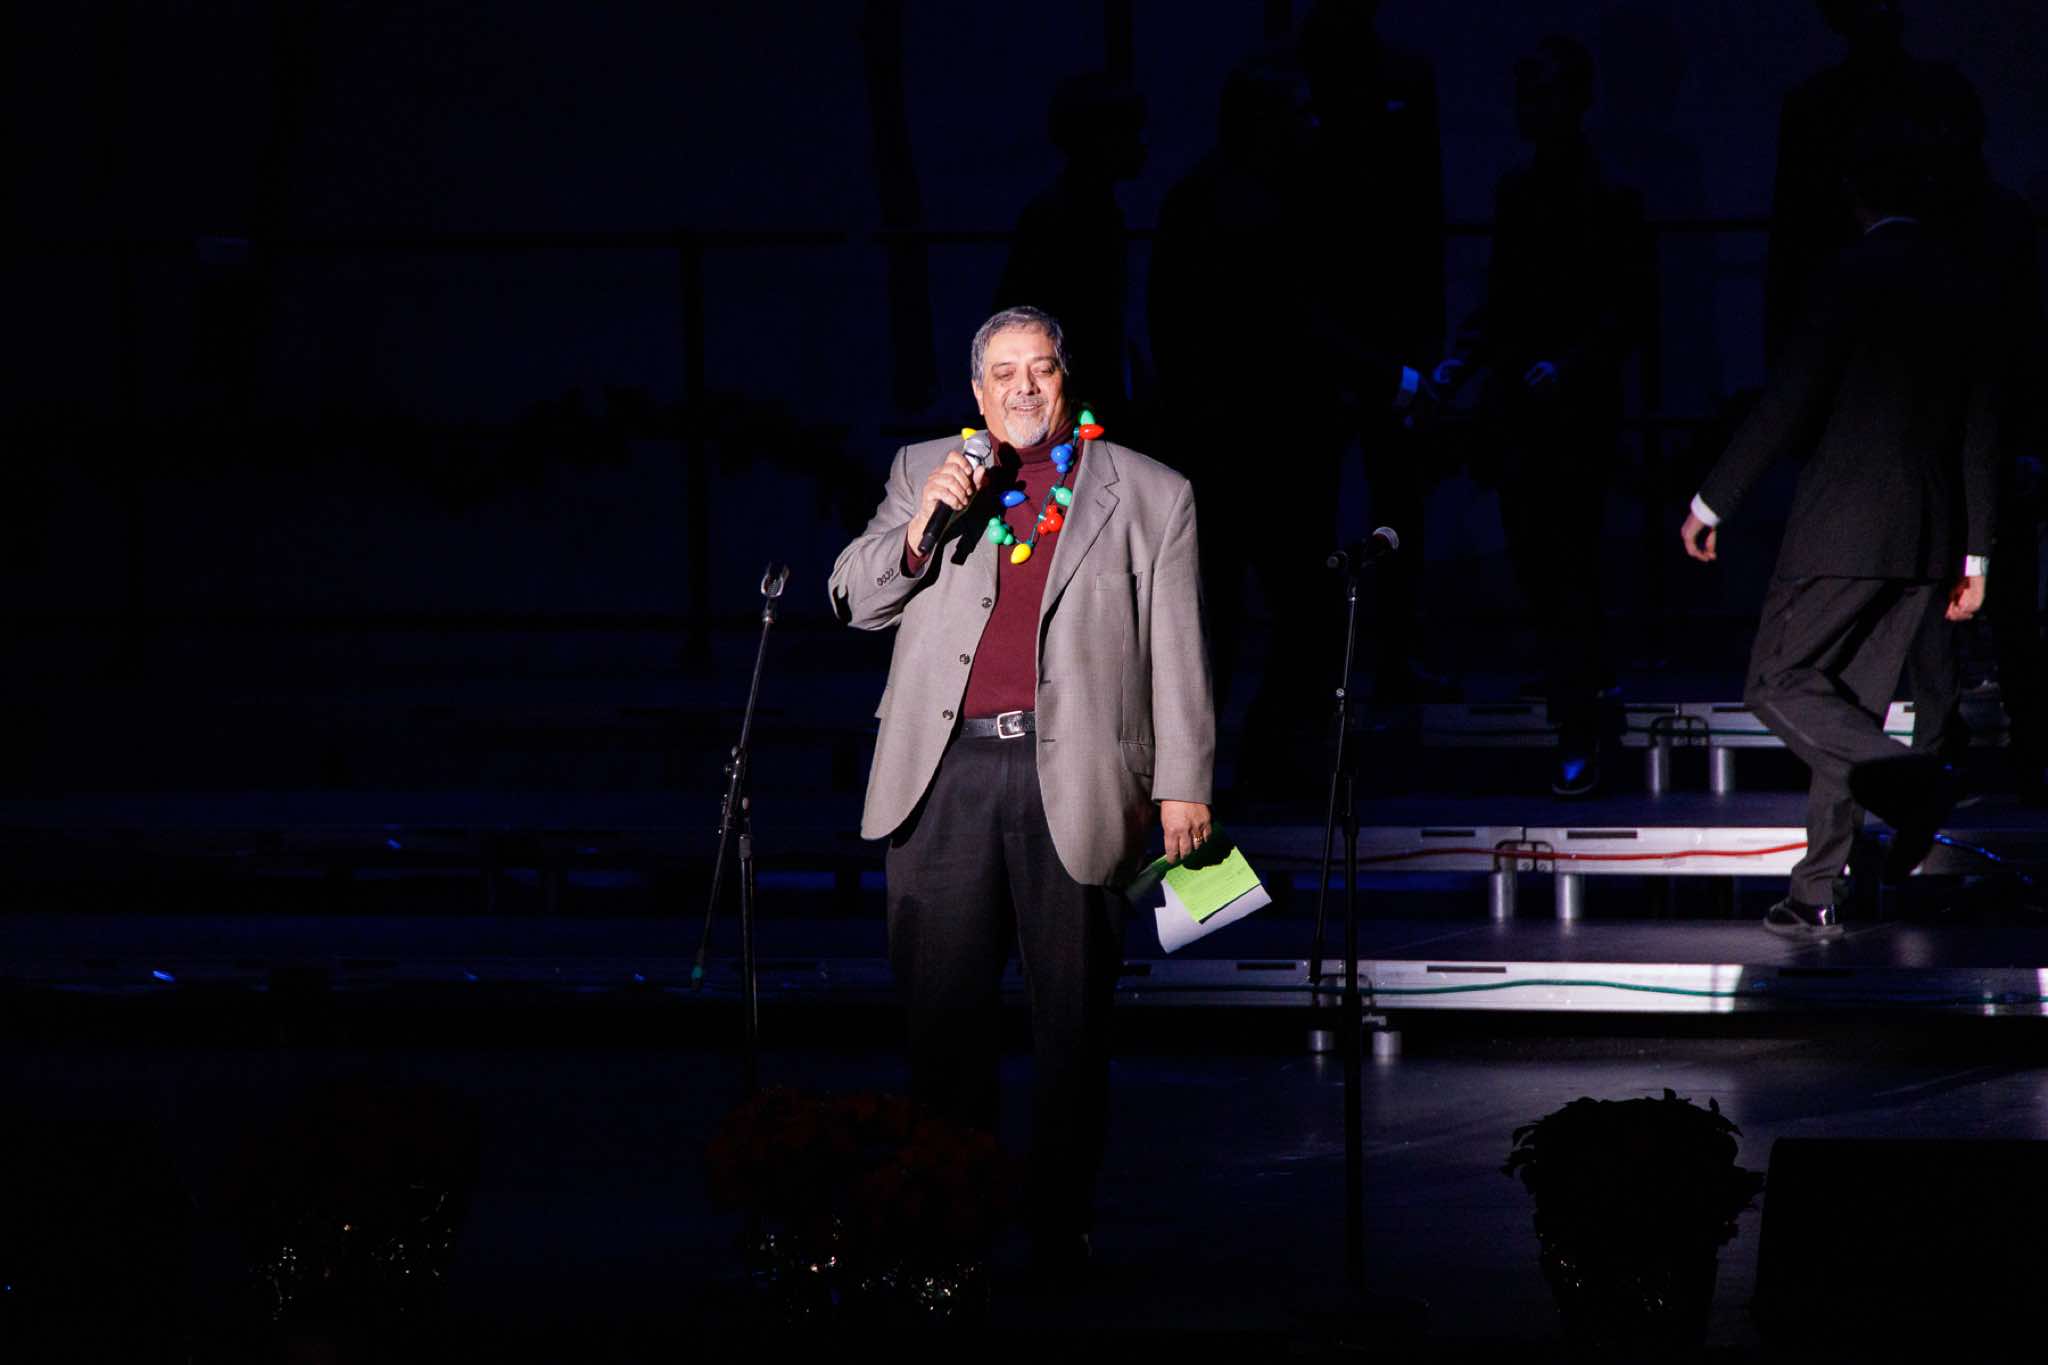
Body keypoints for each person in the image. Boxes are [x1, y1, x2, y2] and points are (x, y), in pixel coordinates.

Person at [828, 306, 1215, 1273]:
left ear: (1064, 377)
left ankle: (1057, 1226)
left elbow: (1178, 649)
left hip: (1076, 775)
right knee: (942, 1021)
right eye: (1003, 374)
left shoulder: (1149, 492)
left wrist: (1184, 780)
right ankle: (948, 1222)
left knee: (1072, 1027)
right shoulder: (924, 471)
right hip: (944, 775)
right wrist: (920, 528)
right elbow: (854, 598)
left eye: (1039, 369)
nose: (1023, 388)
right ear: (977, 391)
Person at [1680, 120, 1998, 939]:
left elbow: (1790, 397)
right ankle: (1819, 888)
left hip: (1845, 528)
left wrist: (1713, 499)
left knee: (1776, 681)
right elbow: (1980, 425)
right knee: (1847, 703)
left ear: (1855, 196)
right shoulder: (1961, 280)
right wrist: (1976, 554)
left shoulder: (1848, 273)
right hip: (1928, 538)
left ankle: (1911, 783)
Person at [1432, 34, 1651, 796]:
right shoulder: (1519, 189)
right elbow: (1503, 294)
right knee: (1541, 560)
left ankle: (1578, 718)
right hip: (1523, 408)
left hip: (1574, 411)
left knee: (1568, 563)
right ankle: (1579, 695)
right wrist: (1467, 360)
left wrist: (1570, 364)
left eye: (1545, 93)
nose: (1532, 109)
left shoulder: (1608, 191)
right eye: (1527, 95)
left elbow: (1627, 307)